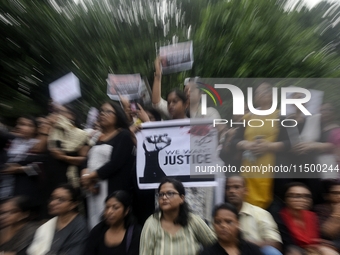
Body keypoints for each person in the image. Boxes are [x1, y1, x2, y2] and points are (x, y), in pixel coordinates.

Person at [233, 83, 290, 210]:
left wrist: (269, 146)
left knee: (270, 206)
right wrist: (246, 144)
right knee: (246, 201)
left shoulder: (280, 116)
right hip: (248, 165)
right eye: (258, 93)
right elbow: (234, 140)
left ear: (271, 96)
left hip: (272, 168)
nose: (261, 95)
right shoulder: (248, 117)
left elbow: (290, 143)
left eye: (265, 92)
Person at [81, 101, 136, 228]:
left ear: (118, 115)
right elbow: (87, 159)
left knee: (109, 223)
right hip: (93, 189)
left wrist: (90, 177)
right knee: (94, 224)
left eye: (108, 111)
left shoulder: (124, 135)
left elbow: (116, 163)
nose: (103, 114)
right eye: (101, 111)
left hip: (111, 190)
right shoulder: (97, 137)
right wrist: (85, 174)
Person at [140, 178, 216, 255]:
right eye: (161, 194)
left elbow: (216, 246)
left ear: (182, 198)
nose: (164, 197)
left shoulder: (193, 220)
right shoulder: (152, 223)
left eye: (170, 193)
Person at [225, 176, 283, 255]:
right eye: (228, 188)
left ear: (246, 191)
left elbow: (275, 244)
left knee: (271, 251)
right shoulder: (220, 215)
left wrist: (245, 244)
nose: (231, 191)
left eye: (236, 187)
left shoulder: (261, 213)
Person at [275, 182, 338, 255]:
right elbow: (287, 244)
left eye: (307, 196)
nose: (302, 199)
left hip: (316, 249)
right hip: (293, 250)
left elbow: (322, 238)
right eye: (296, 196)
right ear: (285, 199)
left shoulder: (312, 216)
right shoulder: (280, 217)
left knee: (327, 250)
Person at [27, 184, 88, 255]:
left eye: (60, 200)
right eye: (52, 198)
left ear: (73, 205)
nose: (52, 203)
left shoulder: (80, 227)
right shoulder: (48, 225)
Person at [0, 116, 45, 209]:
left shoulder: (38, 145)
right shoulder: (9, 142)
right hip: (4, 187)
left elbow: (40, 169)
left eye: (28, 125)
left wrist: (20, 169)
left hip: (22, 191)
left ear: (35, 129)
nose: (22, 127)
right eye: (20, 124)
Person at [84, 190, 141, 255]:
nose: (109, 212)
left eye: (115, 208)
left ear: (126, 211)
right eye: (107, 207)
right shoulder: (97, 231)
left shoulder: (135, 233)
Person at [47, 104, 89, 190]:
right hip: (50, 177)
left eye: (59, 112)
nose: (56, 115)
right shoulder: (50, 132)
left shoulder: (80, 134)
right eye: (55, 112)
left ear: (72, 116)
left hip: (68, 179)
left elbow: (84, 160)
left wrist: (64, 157)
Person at [314, 180, 340, 252]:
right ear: (327, 196)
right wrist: (337, 214)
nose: (339, 196)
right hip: (330, 247)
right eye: (335, 193)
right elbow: (327, 233)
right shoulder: (321, 209)